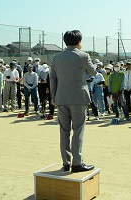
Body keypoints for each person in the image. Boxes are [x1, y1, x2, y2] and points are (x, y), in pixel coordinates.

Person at [50, 30, 96, 172]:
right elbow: (93, 72)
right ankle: (77, 163)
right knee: (78, 130)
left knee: (64, 131)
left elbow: (52, 78)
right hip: (78, 97)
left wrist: (53, 96)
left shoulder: (57, 57)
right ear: (79, 42)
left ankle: (66, 162)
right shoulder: (84, 56)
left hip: (61, 97)